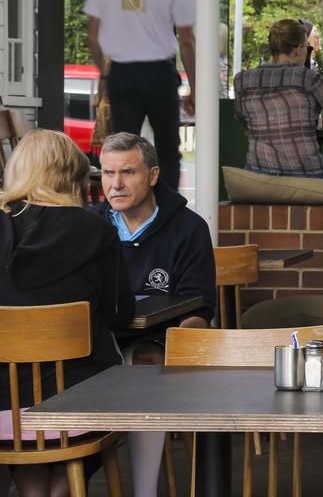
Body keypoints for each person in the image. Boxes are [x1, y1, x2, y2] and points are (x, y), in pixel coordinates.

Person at [0, 130, 134, 497]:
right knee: (86, 388)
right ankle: (63, 488)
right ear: (71, 178)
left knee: (21, 416)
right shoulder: (95, 229)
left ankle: (33, 491)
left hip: (3, 411)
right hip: (78, 408)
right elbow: (121, 314)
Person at [87, 132, 215, 497]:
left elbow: (201, 308)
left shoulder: (188, 228)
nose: (116, 184)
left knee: (146, 364)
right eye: (108, 173)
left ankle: (145, 491)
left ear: (154, 175)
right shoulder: (89, 225)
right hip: (99, 341)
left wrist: (179, 349)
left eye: (128, 172)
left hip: (155, 342)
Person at [84, 0, 195, 190]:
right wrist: (194, 86)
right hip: (158, 71)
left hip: (122, 72)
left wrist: (104, 73)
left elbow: (92, 36)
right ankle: (169, 211)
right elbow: (186, 39)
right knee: (168, 146)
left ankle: (124, 207)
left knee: (123, 147)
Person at [234, 19, 323, 179]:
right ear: (298, 49)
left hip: (258, 176)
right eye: (307, 47)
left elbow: (244, 121)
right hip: (307, 175)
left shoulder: (242, 80)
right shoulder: (309, 78)